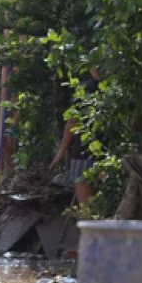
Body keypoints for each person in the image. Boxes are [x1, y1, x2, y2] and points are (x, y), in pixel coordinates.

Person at [51, 71, 100, 206]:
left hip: (83, 154)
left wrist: (60, 152)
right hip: (109, 154)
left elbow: (72, 122)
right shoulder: (117, 91)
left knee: (86, 207)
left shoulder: (85, 90)